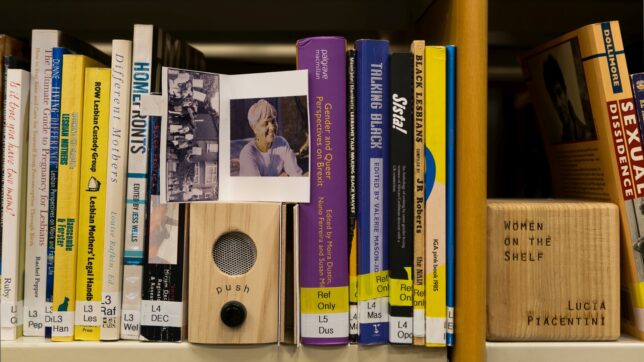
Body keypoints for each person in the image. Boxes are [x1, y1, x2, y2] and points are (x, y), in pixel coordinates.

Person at [238, 99, 303, 176]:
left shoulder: (281, 143)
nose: (272, 127)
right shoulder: (248, 153)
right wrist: (281, 178)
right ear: (254, 128)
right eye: (266, 123)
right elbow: (256, 187)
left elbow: (296, 175)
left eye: (273, 121)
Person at [542, 55, 596, 143]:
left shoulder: (586, 134)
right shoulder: (563, 138)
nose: (558, 103)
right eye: (553, 97)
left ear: (565, 91)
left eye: (559, 93)